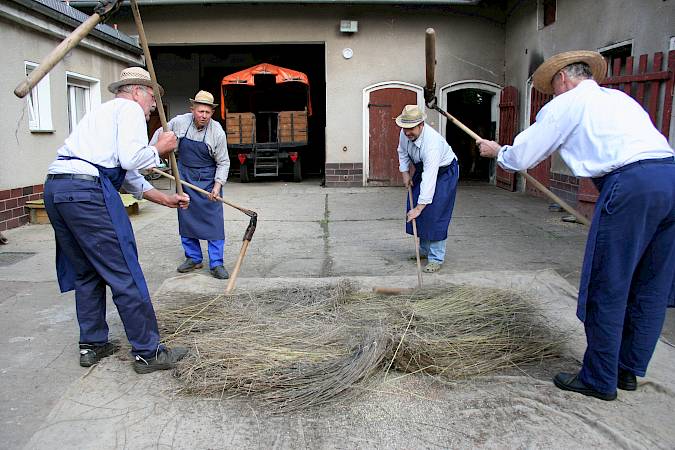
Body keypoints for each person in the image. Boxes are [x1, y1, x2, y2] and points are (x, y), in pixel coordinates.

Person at [476, 50, 675, 401]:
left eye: (552, 87)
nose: (552, 95)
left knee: (607, 283)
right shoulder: (618, 99)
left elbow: (524, 154)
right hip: (669, 178)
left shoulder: (568, 102)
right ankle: (626, 371)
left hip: (631, 186)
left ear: (563, 78)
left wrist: (499, 152)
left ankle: (599, 378)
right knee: (650, 284)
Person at [44, 67, 190, 374]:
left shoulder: (103, 112)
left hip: (58, 188)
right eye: (153, 96)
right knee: (124, 270)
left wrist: (165, 199)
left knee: (86, 271)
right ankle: (148, 353)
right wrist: (159, 148)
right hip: (86, 193)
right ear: (137, 91)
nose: (154, 105)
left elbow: (127, 175)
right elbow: (131, 159)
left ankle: (93, 343)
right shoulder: (128, 109)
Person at [152, 90, 230, 279]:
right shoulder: (179, 122)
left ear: (212, 113)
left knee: (214, 224)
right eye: (200, 111)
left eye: (208, 112)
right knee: (186, 220)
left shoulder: (217, 131)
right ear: (192, 109)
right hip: (184, 178)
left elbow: (223, 162)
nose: (204, 116)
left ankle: (216, 263)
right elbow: (160, 134)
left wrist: (217, 186)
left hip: (208, 181)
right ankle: (193, 258)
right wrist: (151, 155)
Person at [396, 104, 459, 273]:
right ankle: (424, 251)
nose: (407, 132)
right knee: (418, 209)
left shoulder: (432, 144)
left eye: (411, 128)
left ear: (421, 125)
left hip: (444, 172)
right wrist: (405, 174)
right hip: (423, 168)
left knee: (435, 213)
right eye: (405, 128)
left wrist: (419, 207)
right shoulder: (404, 134)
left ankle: (436, 258)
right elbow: (402, 152)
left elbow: (430, 179)